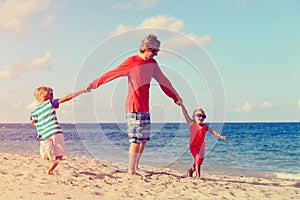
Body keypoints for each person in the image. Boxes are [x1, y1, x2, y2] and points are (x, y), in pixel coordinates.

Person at [86, 34, 182, 175]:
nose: (156, 55)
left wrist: (175, 96)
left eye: (157, 52)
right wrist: (94, 84)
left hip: (145, 107)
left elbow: (164, 81)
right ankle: (131, 170)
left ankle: (136, 167)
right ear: (145, 48)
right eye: (154, 51)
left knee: (143, 140)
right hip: (133, 106)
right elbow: (113, 73)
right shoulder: (132, 61)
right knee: (136, 140)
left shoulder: (153, 64)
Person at [30, 86, 88, 175]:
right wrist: (83, 90)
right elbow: (68, 97)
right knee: (60, 155)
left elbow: (32, 122)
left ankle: (50, 166)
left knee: (45, 155)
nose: (53, 96)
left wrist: (41, 124)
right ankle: (51, 167)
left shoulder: (34, 111)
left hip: (43, 134)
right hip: (55, 131)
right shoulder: (50, 103)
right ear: (43, 95)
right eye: (51, 94)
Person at [180, 103, 227, 179]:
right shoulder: (192, 124)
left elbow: (213, 131)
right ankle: (198, 175)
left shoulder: (205, 127)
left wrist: (221, 136)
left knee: (198, 162)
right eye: (199, 115)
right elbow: (185, 114)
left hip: (201, 147)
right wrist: (182, 105)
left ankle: (191, 171)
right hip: (193, 146)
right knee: (197, 158)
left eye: (203, 116)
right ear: (194, 117)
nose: (201, 117)